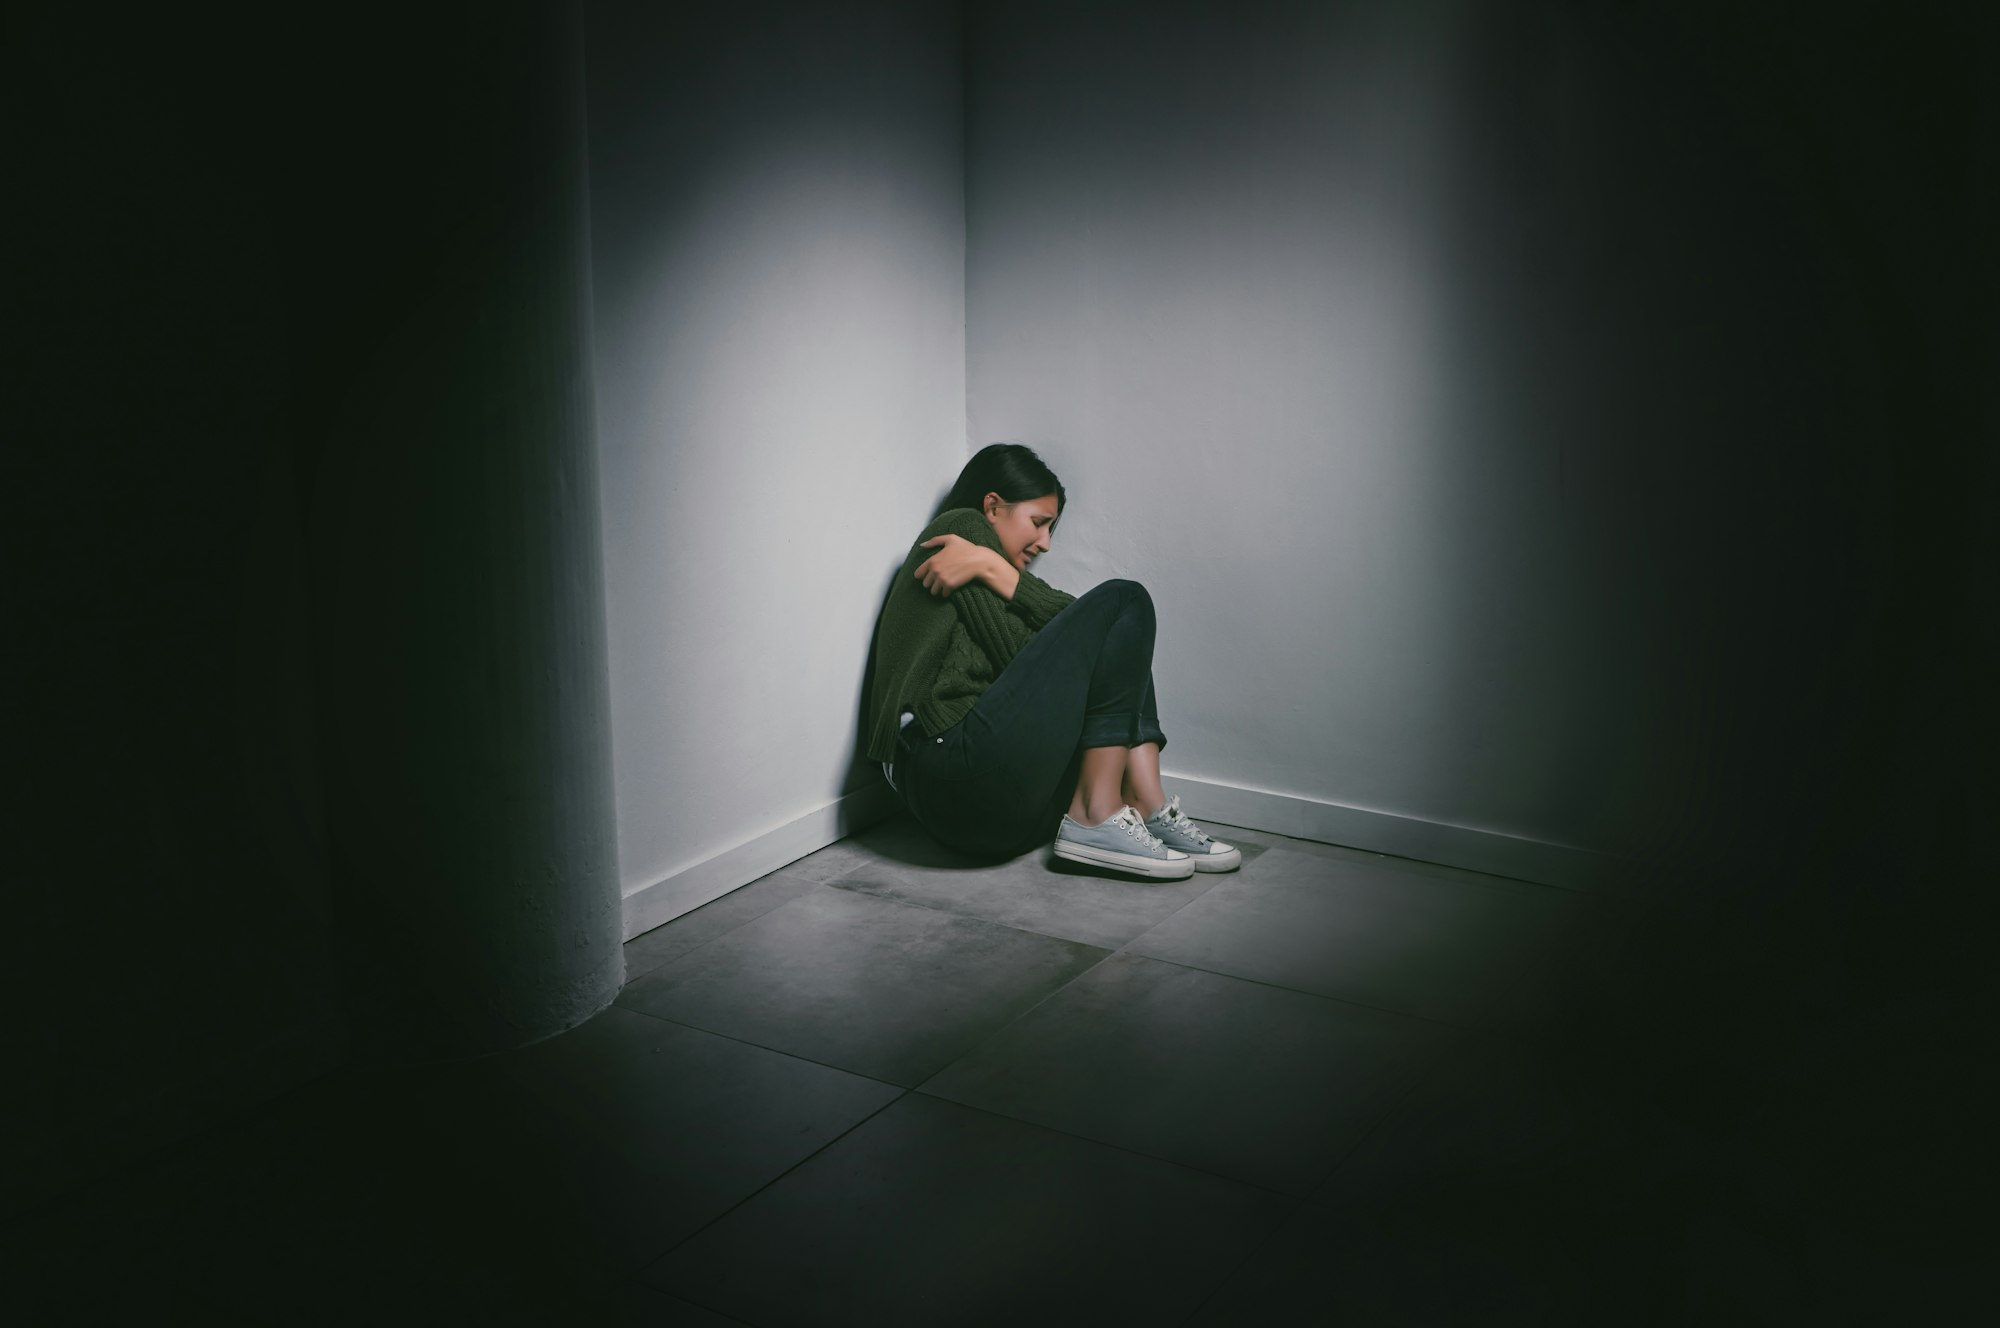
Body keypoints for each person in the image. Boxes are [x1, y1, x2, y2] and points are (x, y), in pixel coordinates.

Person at [866, 443, 1240, 879]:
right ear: (992, 506)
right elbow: (1022, 653)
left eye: (1051, 530)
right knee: (1125, 600)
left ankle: (1144, 804)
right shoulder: (960, 530)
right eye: (1039, 523)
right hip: (946, 775)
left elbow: (1064, 655)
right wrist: (992, 565)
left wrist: (993, 568)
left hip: (993, 818)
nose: (1044, 543)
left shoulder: (984, 564)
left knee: (1118, 640)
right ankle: (1097, 814)